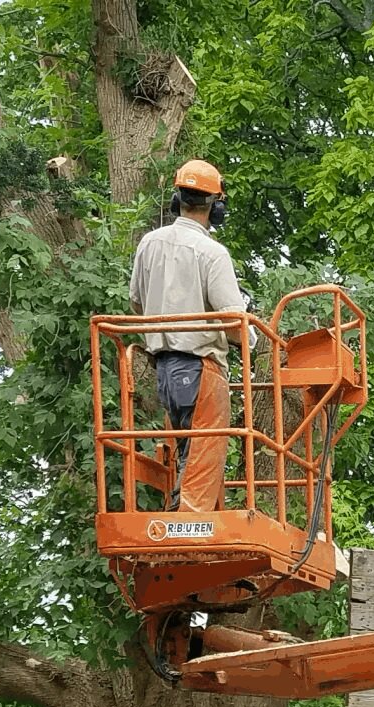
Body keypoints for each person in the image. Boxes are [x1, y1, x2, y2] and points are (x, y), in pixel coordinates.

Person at [129, 159, 249, 512]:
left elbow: (136, 303)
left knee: (188, 451)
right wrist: (254, 341)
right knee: (205, 453)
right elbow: (233, 321)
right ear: (217, 207)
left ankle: (184, 510)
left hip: (164, 373)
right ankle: (188, 527)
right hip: (201, 368)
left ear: (175, 199)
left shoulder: (148, 244)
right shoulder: (212, 253)